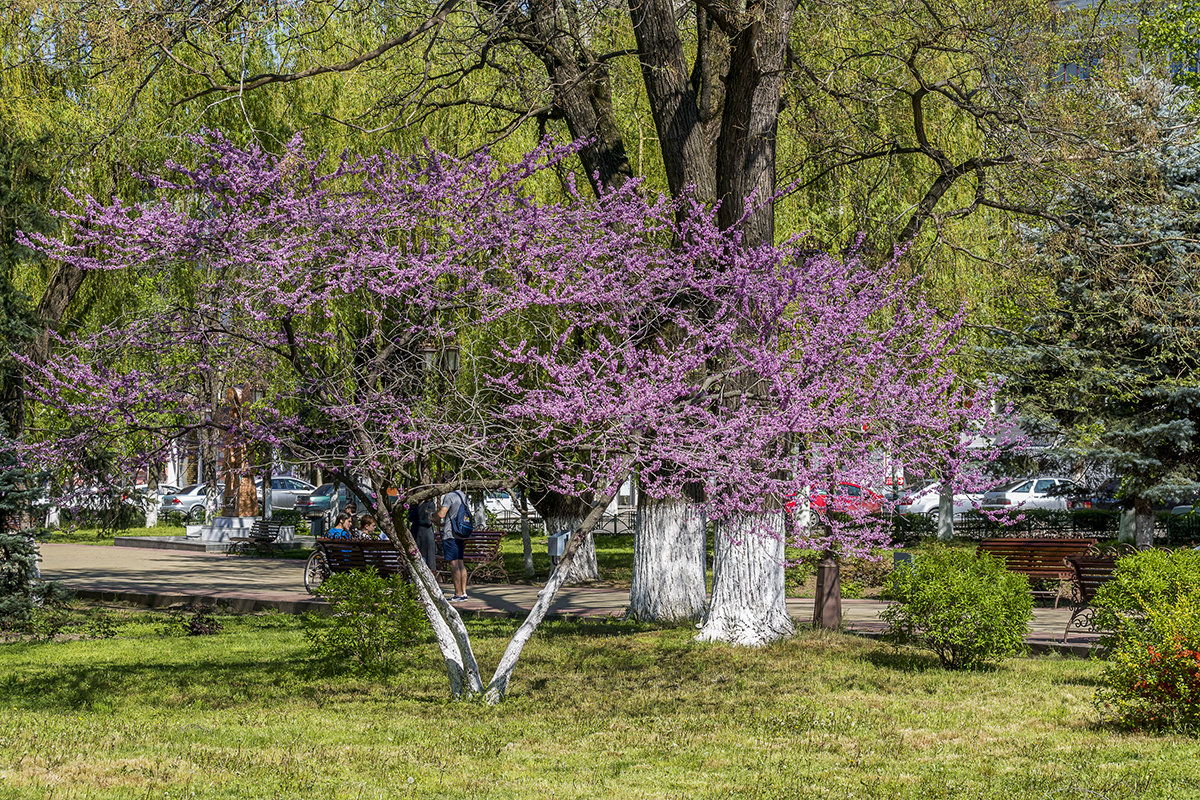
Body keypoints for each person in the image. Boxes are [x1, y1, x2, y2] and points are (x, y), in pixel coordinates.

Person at [436, 488, 469, 602]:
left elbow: (442, 514)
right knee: (460, 562)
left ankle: (458, 594)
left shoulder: (449, 496)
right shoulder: (462, 495)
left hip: (451, 534)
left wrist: (432, 515)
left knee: (453, 563)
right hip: (461, 533)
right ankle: (464, 592)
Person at [408, 497, 438, 571]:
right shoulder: (414, 505)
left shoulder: (430, 504)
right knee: (416, 554)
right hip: (416, 532)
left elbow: (428, 520)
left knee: (428, 556)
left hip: (426, 533)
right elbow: (410, 518)